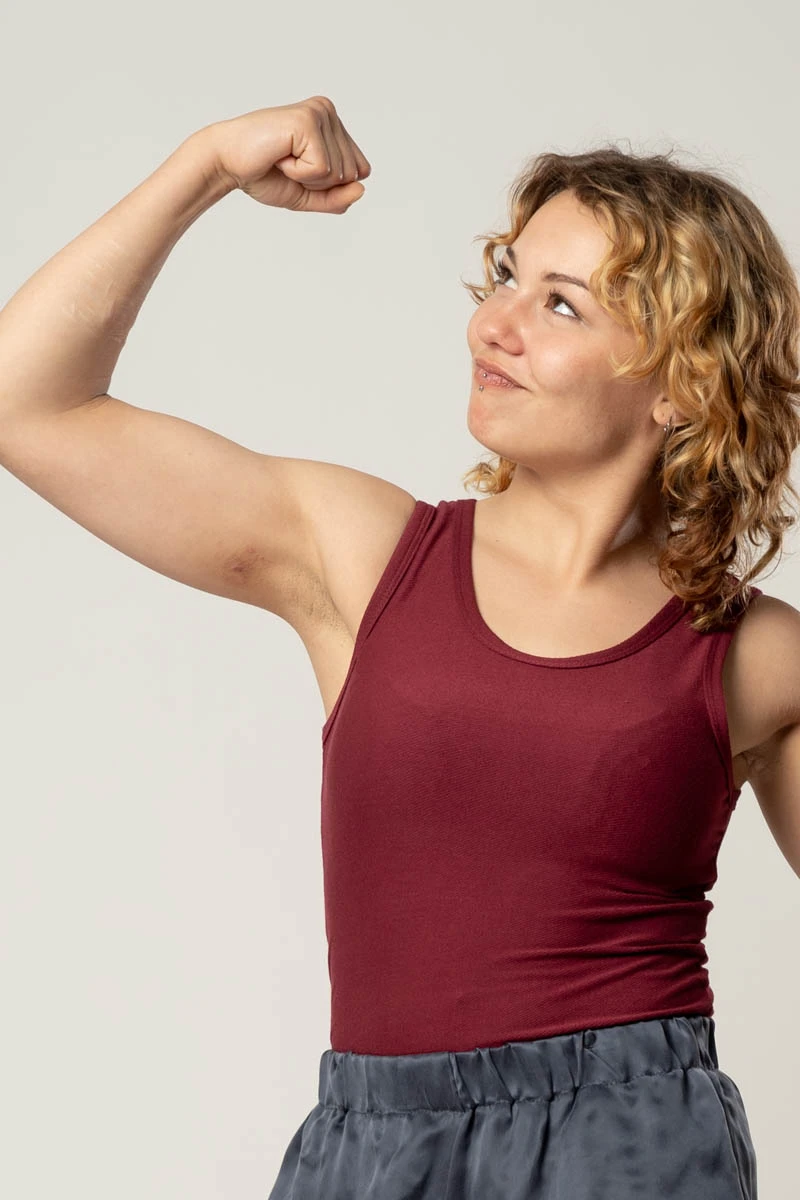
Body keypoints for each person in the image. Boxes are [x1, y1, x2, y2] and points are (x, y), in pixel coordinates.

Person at [1, 94, 798, 1199]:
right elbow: (26, 402)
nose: (492, 324)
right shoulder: (367, 557)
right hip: (374, 1143)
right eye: (504, 279)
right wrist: (203, 168)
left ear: (680, 384)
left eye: (558, 305)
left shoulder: (750, 655)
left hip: (631, 1142)